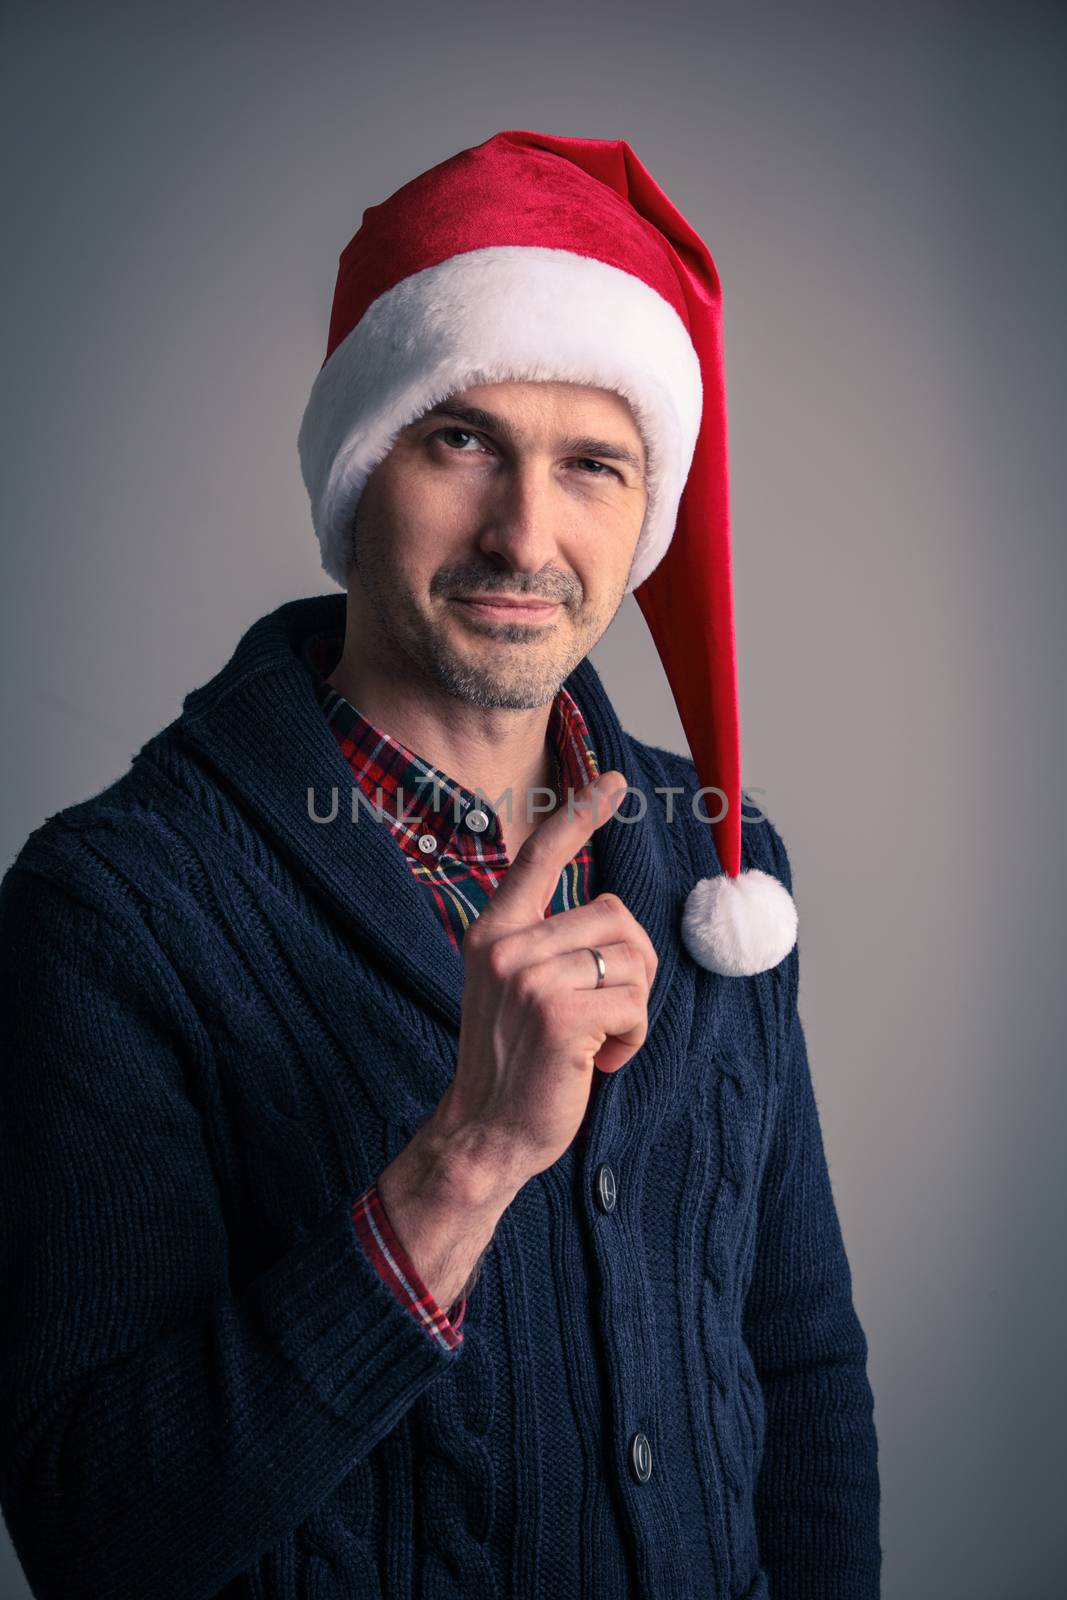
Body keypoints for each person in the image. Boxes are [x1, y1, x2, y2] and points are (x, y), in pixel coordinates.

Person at [0, 130, 881, 1599]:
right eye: (460, 439)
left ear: (641, 517)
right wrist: (463, 1163)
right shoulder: (114, 915)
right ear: (360, 472)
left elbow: (799, 1366)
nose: (524, 534)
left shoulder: (727, 869)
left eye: (591, 464)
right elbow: (97, 1531)